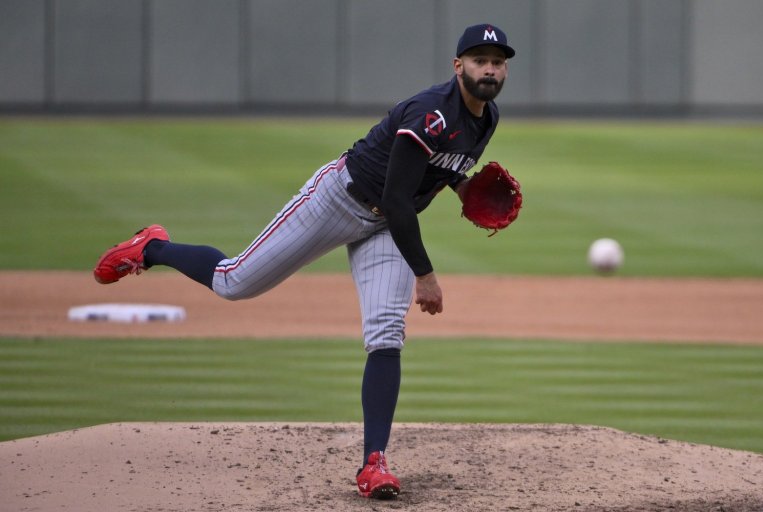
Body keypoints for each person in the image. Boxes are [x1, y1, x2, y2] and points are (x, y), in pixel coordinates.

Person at [93, 23, 514, 499]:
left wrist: (462, 186)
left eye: (498, 62)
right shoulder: (429, 113)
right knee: (234, 281)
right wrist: (426, 276)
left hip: (388, 226)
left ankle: (374, 464)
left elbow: (437, 170)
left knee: (386, 334)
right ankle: (151, 247)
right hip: (339, 200)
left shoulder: (488, 117)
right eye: (480, 60)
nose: (490, 69)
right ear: (458, 66)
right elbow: (398, 197)